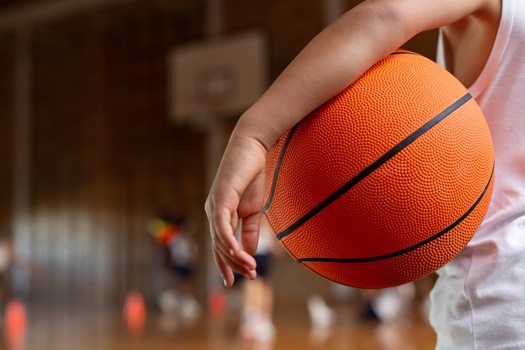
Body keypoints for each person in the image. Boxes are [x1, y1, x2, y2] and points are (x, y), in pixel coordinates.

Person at [205, 0, 525, 348]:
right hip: (504, 305)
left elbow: (388, 16)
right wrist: (256, 132)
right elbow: (386, 17)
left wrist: (254, 133)